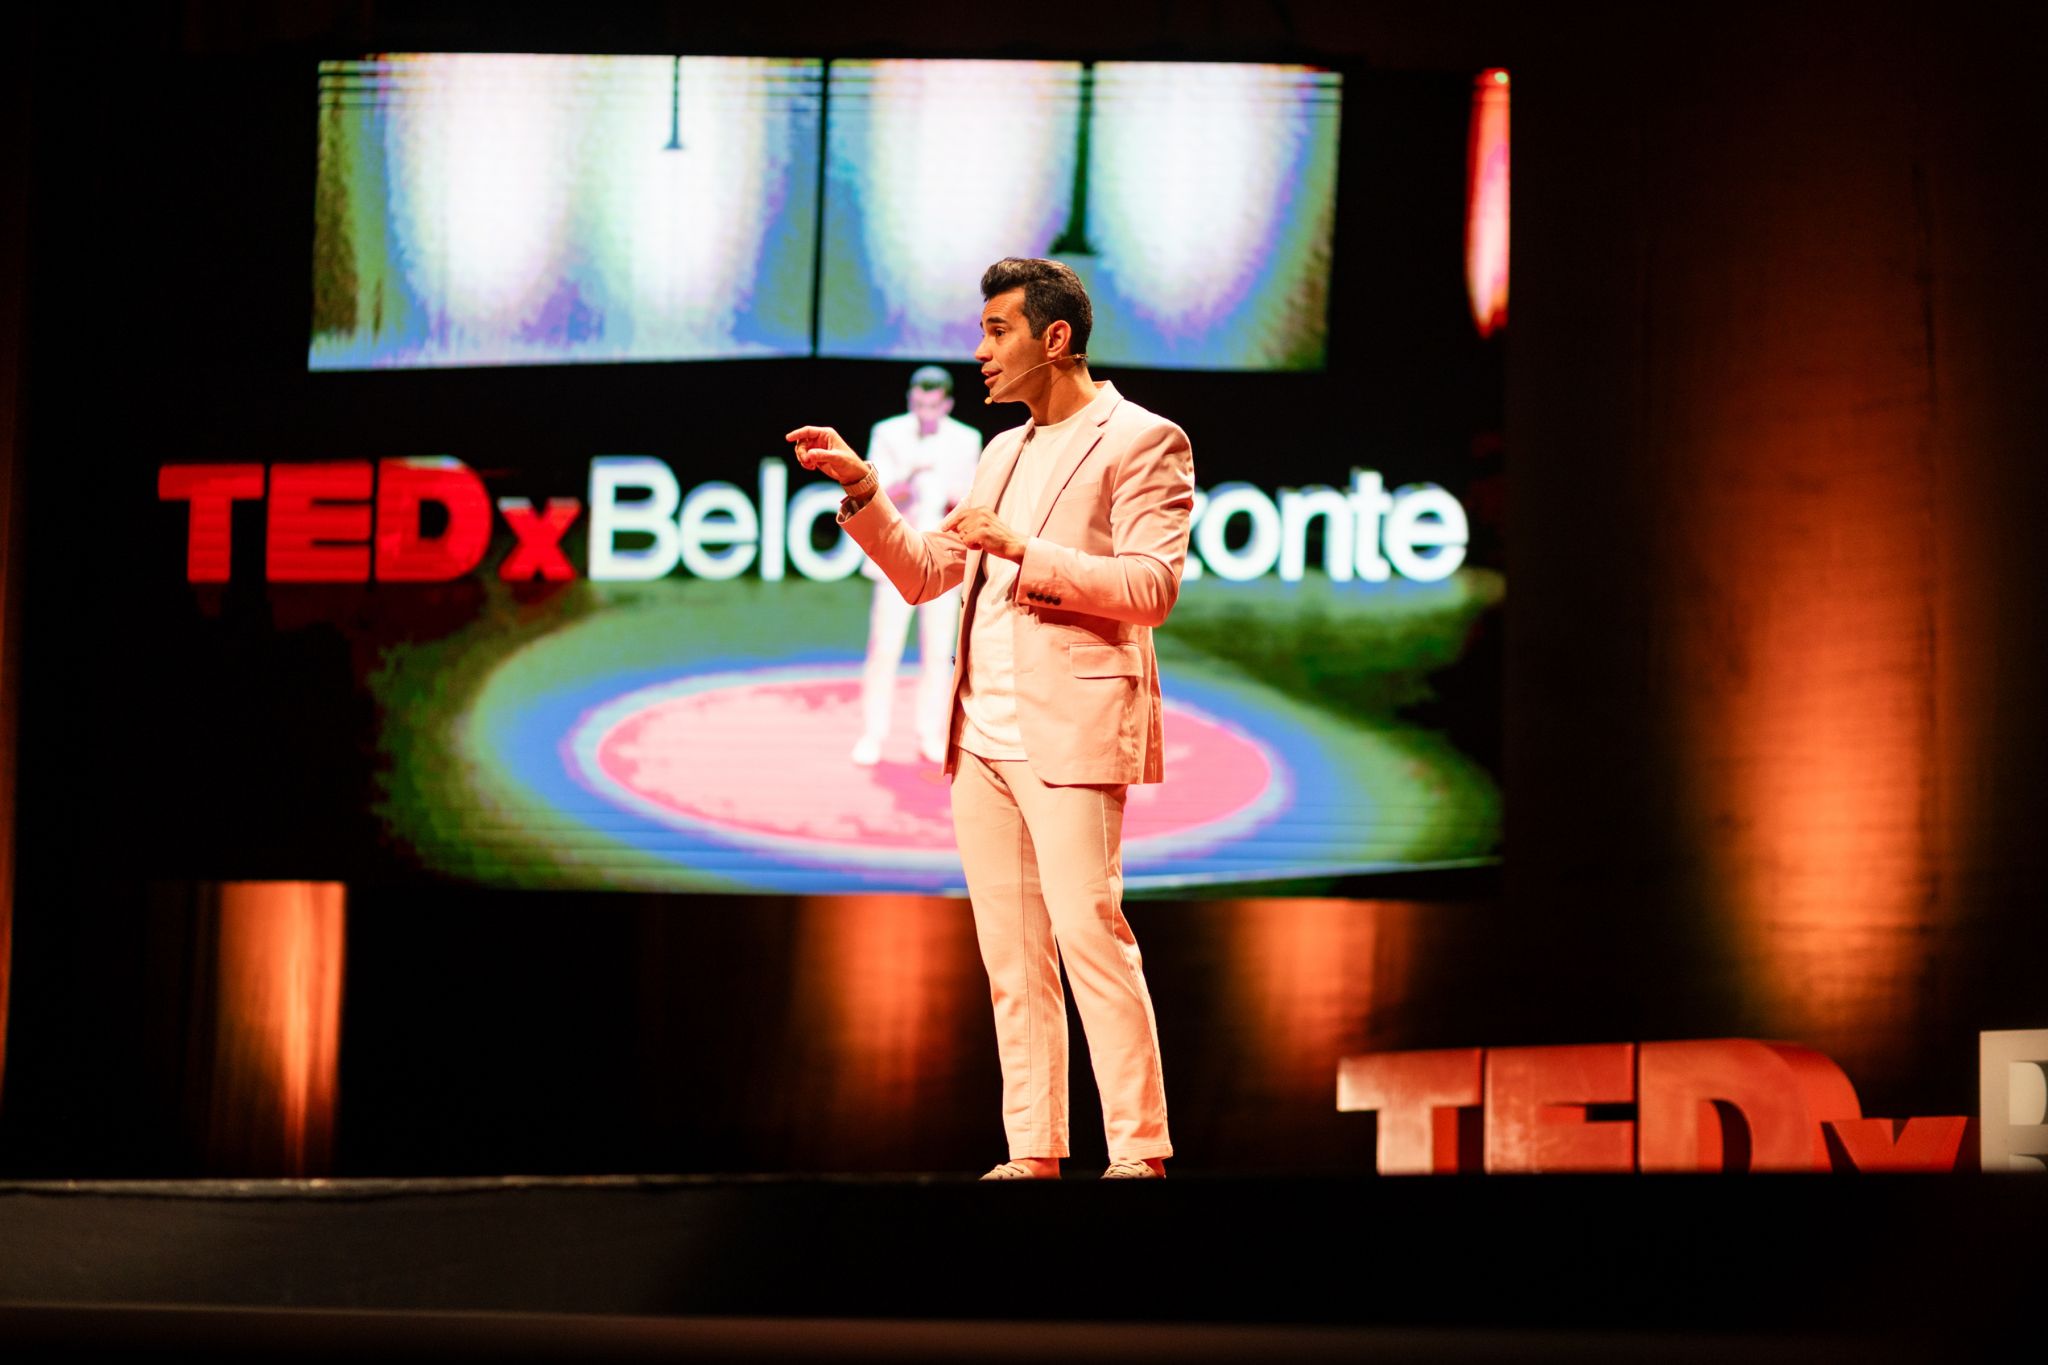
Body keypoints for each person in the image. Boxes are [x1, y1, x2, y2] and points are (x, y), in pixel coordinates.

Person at [786, 257, 1195, 1180]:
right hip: (981, 739)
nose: (979, 351)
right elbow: (930, 571)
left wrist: (1023, 548)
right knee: (1013, 959)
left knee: (1091, 936)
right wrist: (864, 490)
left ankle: (1139, 1150)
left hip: (1073, 729)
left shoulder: (1143, 439)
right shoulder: (1001, 451)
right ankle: (1035, 1151)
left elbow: (1152, 587)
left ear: (1056, 338)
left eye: (997, 330)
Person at [852, 366, 980, 766]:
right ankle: (873, 734)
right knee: (884, 648)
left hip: (942, 559)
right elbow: (873, 496)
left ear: (947, 404)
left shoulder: (966, 439)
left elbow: (971, 501)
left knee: (939, 652)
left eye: (933, 405)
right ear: (911, 399)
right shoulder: (888, 433)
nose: (926, 412)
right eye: (919, 403)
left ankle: (930, 733)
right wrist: (912, 476)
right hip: (894, 557)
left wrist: (951, 493)